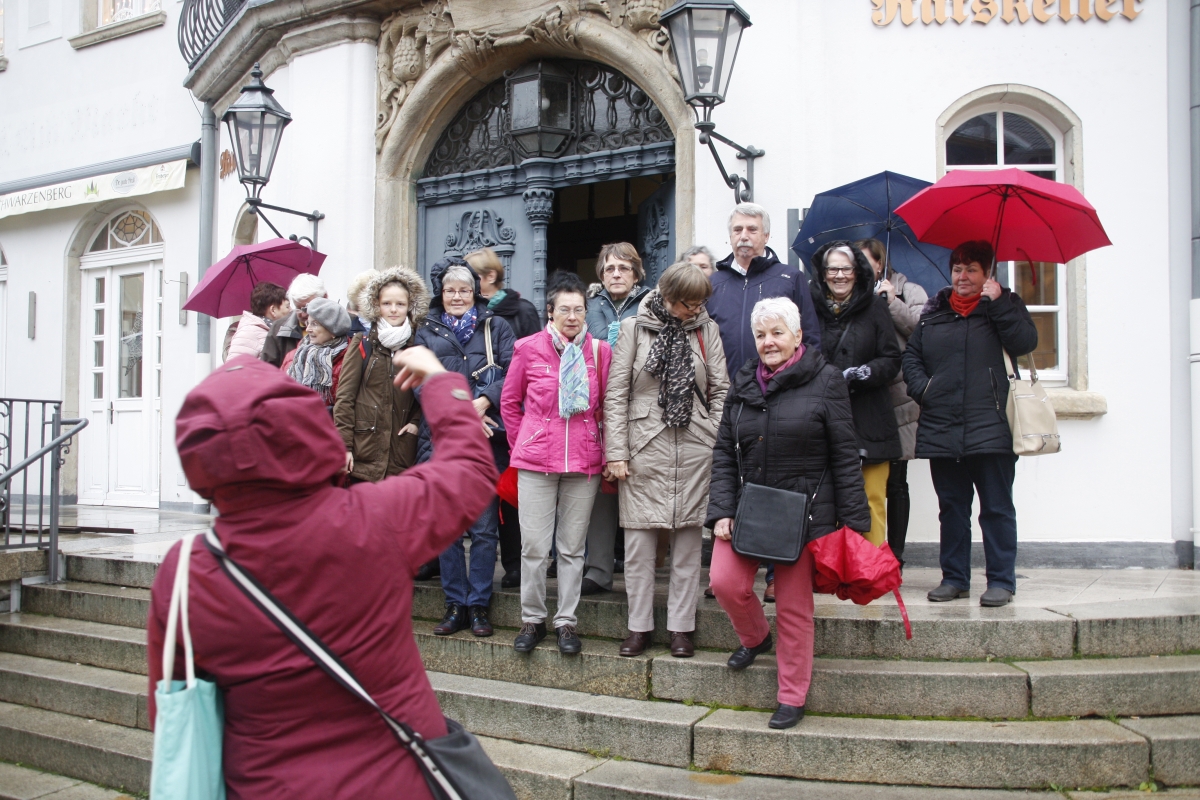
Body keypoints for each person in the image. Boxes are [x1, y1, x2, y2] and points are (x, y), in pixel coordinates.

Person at [148, 347, 497, 799]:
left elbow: (173, 710)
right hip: (397, 778)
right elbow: (468, 471)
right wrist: (439, 382)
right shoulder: (375, 518)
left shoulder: (185, 574)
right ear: (306, 428)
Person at [707, 297, 870, 730]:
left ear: (798, 336)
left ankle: (792, 695)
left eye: (777, 332)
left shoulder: (827, 381)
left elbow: (843, 456)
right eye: (761, 335)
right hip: (750, 509)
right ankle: (756, 637)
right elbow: (724, 452)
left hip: (804, 516)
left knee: (795, 609)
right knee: (724, 582)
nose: (768, 342)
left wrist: (853, 527)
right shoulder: (742, 385)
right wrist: (721, 509)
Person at [903, 240, 1037, 608]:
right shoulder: (935, 313)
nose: (963, 276)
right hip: (942, 426)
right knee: (953, 509)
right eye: (958, 269)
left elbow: (1025, 342)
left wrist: (1000, 304)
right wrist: (924, 389)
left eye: (972, 269)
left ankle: (1001, 581)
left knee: (996, 508)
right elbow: (912, 358)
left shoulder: (1003, 306)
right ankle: (955, 578)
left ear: (987, 274)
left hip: (991, 426)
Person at [605, 262, 729, 659]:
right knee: (639, 548)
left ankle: (681, 629)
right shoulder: (633, 329)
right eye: (687, 304)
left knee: (689, 544)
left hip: (694, 447)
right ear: (668, 296)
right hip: (644, 448)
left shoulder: (707, 330)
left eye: (699, 304)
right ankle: (638, 628)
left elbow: (721, 388)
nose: (693, 311)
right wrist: (617, 452)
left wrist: (713, 433)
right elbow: (616, 394)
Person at [709, 203, 823, 603]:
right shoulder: (714, 282)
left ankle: (778, 570)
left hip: (781, 394)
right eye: (738, 228)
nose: (745, 235)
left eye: (753, 229)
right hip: (729, 397)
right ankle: (731, 566)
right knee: (733, 475)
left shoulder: (789, 278)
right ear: (730, 234)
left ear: (766, 235)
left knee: (776, 480)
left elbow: (810, 338)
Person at [501, 271, 611, 656]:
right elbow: (509, 403)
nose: (572, 316)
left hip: (583, 464)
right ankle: (532, 619)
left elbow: (605, 408)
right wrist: (525, 442)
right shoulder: (527, 348)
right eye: (564, 309)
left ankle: (566, 622)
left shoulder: (599, 352)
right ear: (550, 312)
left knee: (571, 548)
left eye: (578, 309)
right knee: (533, 547)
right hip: (536, 463)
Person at [415, 258, 515, 637]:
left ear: (476, 292)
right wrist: (460, 409)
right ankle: (455, 604)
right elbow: (419, 378)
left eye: (464, 290)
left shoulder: (496, 326)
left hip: (486, 438)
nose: (456, 296)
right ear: (441, 294)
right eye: (449, 290)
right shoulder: (426, 329)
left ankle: (479, 606)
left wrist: (484, 401)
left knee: (485, 528)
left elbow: (510, 370)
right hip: (441, 437)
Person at [809, 242, 902, 547]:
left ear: (857, 271)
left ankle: (871, 569)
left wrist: (861, 373)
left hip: (870, 418)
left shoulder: (875, 307)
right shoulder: (809, 307)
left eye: (845, 268)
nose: (839, 275)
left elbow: (891, 359)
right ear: (823, 274)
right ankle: (833, 569)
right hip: (823, 418)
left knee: (872, 497)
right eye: (832, 269)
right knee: (826, 499)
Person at [467, 247, 539, 589]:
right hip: (472, 414)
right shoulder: (468, 314)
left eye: (471, 276)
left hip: (511, 414)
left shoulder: (521, 311)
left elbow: (531, 365)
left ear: (489, 277)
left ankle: (514, 564)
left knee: (511, 493)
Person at [581, 242, 650, 594]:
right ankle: (598, 569)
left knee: (640, 489)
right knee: (601, 492)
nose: (616, 274)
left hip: (641, 409)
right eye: (610, 268)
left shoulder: (652, 305)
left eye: (624, 268)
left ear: (637, 273)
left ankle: (644, 576)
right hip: (598, 410)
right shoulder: (590, 307)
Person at [857, 238, 929, 565]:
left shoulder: (908, 290)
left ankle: (895, 556)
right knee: (863, 481)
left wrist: (890, 301)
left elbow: (919, 329)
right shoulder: (855, 293)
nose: (859, 266)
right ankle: (865, 552)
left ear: (879, 262)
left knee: (896, 483)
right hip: (865, 398)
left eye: (865, 260)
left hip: (899, 399)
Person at [334, 266, 428, 485]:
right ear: (377, 306)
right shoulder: (363, 344)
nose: (393, 310)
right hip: (364, 453)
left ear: (410, 307)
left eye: (400, 304)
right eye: (387, 303)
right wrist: (344, 447)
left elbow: (425, 394)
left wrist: (415, 422)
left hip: (402, 454)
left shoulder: (419, 345)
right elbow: (345, 399)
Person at [283, 297, 351, 412]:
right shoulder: (295, 355)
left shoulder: (349, 360)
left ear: (333, 331)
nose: (308, 329)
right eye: (307, 323)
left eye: (315, 324)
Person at [468, 248, 541, 340]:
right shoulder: (465, 312)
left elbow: (535, 351)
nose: (465, 281)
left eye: (471, 276)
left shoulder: (523, 311)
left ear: (491, 276)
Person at [261, 274, 327, 367]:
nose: (303, 314)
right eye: (299, 308)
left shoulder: (341, 325)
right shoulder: (278, 328)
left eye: (308, 307)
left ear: (325, 298)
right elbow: (267, 370)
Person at [225, 281, 290, 360]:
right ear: (273, 310)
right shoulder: (249, 333)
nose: (291, 310)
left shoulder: (272, 330)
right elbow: (235, 368)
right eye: (287, 306)